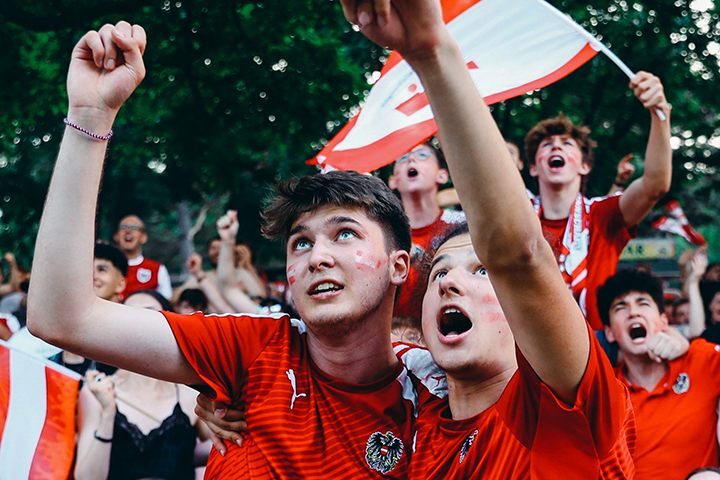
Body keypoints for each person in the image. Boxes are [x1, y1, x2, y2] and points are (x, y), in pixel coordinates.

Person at [524, 77, 672, 330]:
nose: (555, 147)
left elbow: (655, 185)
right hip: (525, 350)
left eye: (566, 144)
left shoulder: (603, 214)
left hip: (597, 350)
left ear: (585, 166)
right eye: (547, 145)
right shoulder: (518, 218)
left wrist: (660, 115)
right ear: (534, 168)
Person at [74, 289, 211, 480]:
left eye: (148, 313)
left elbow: (222, 447)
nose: (137, 322)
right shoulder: (97, 391)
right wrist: (107, 414)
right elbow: (86, 478)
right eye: (128, 314)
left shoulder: (192, 392)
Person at [598, 269, 720, 479]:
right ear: (609, 333)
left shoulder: (700, 360)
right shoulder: (603, 394)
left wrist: (683, 343)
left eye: (643, 303)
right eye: (621, 307)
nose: (633, 312)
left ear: (664, 321)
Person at [388, 140, 464, 325]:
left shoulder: (462, 226)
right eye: (403, 157)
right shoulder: (381, 233)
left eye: (422, 155)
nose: (411, 159)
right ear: (392, 181)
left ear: (442, 175)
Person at [114, 215, 172, 299]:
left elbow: (166, 302)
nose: (128, 231)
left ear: (144, 238)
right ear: (116, 236)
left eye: (134, 228)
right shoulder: (105, 267)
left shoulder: (157, 269)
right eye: (123, 227)